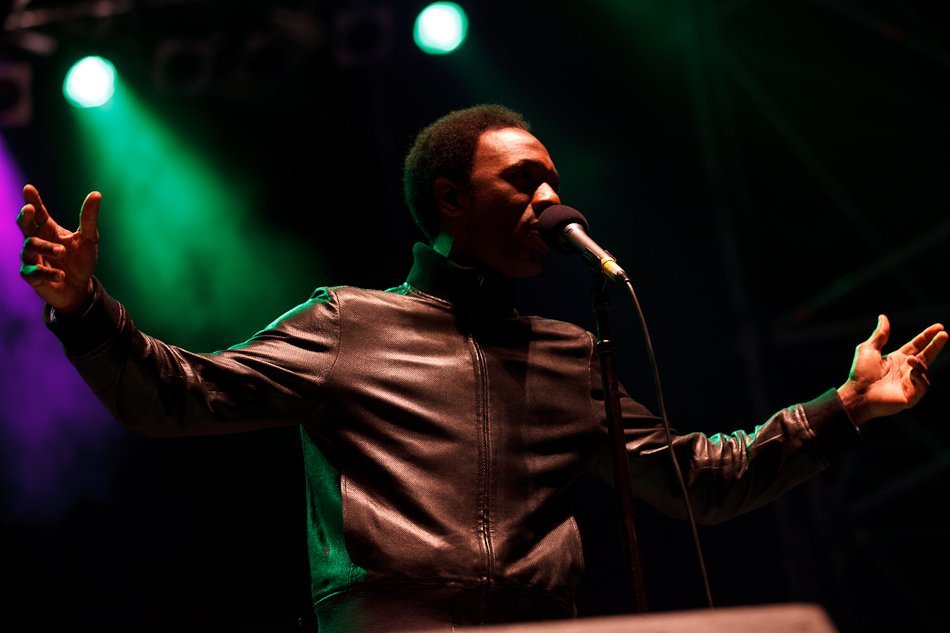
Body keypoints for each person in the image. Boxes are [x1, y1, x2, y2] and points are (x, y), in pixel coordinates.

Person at [16, 104, 947, 632]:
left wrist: (844, 407)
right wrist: (86, 308)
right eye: (523, 180)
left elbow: (700, 479)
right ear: (451, 200)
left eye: (554, 180)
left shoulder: (570, 355)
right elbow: (178, 396)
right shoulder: (349, 323)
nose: (551, 198)